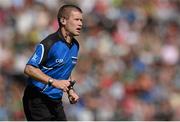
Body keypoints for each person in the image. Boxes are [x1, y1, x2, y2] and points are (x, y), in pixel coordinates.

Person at [22, 4, 83, 121]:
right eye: (76, 19)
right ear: (63, 20)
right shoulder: (50, 43)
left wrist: (70, 91)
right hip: (37, 99)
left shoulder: (75, 45)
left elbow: (64, 70)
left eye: (81, 20)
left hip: (55, 101)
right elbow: (29, 69)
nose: (80, 23)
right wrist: (53, 82)